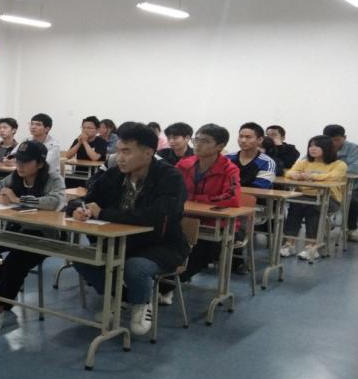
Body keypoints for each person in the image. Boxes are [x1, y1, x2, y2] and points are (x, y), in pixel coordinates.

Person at [70, 123, 188, 336]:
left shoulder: (170, 177)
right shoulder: (114, 174)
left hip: (162, 246)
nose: (120, 157)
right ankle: (122, 299)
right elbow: (87, 199)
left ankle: (141, 304)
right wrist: (80, 209)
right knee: (81, 257)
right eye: (118, 151)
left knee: (135, 267)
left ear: (148, 153)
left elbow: (154, 217)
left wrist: (103, 213)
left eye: (126, 151)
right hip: (120, 242)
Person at [0, 141, 66, 337]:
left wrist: (17, 199)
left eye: (26, 162)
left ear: (40, 163)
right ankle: (7, 287)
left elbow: (55, 202)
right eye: (18, 161)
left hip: (43, 236)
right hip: (15, 232)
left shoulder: (53, 179)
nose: (20, 165)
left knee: (15, 261)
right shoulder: (15, 176)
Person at [168, 124, 241, 296]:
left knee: (203, 249)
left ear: (220, 146)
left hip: (216, 224)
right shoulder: (184, 164)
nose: (198, 145)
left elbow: (232, 198)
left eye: (205, 141)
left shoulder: (229, 169)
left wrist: (196, 199)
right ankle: (161, 284)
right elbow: (170, 189)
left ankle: (167, 286)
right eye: (197, 140)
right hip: (184, 219)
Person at [280, 135, 348, 261]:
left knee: (313, 207)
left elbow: (333, 177)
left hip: (330, 199)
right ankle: (290, 244)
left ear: (327, 148)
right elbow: (289, 172)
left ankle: (312, 247)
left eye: (317, 146)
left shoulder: (339, 164)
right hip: (305, 196)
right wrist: (294, 175)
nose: (313, 148)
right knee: (295, 206)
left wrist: (311, 176)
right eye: (311, 146)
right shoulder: (304, 162)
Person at [323, 125, 358, 242]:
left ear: (345, 137)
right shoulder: (319, 146)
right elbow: (306, 163)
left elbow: (355, 168)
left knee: (352, 200)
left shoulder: (354, 149)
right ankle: (323, 223)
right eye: (330, 140)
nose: (333, 143)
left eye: (337, 140)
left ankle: (351, 228)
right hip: (325, 185)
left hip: (350, 186)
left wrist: (329, 173)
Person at [227, 122, 276, 189]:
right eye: (241, 136)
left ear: (260, 140)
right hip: (225, 195)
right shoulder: (227, 158)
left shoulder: (267, 162)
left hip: (254, 195)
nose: (243, 140)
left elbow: (259, 188)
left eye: (248, 137)